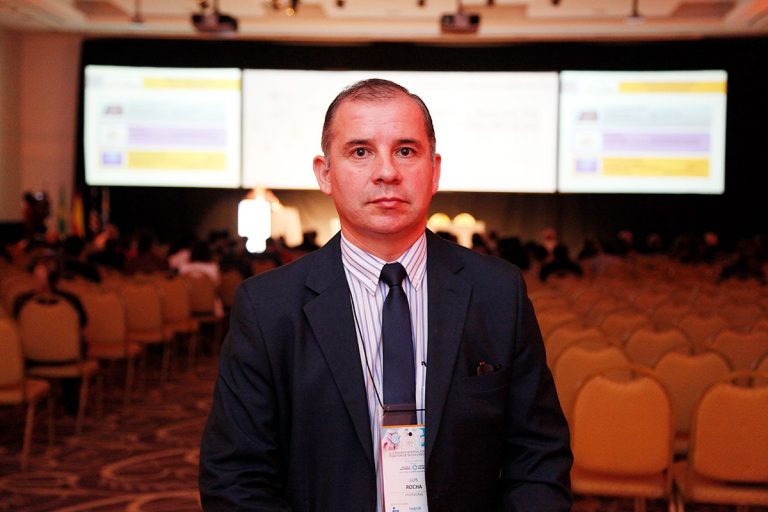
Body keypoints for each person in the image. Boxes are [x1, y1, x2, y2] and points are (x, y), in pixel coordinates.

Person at [199, 79, 572, 511]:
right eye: (360, 152)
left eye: (405, 151)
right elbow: (235, 478)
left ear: (434, 170)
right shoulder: (267, 308)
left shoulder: (498, 293)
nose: (387, 173)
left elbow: (539, 456)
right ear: (325, 173)